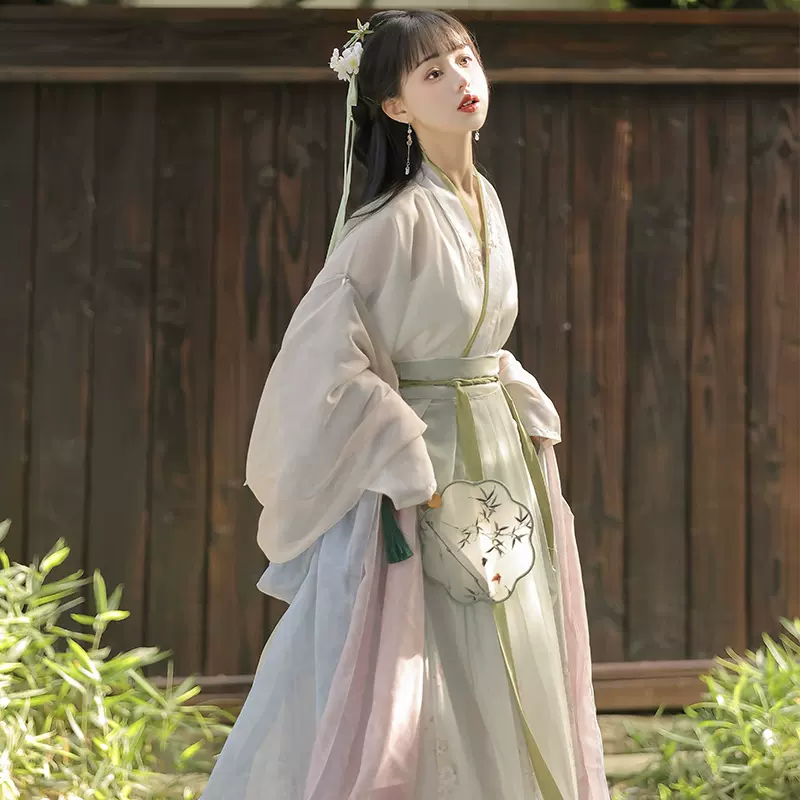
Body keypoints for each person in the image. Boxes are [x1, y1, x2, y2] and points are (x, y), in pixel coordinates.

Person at [202, 10, 608, 800]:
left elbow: (473, 334)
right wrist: (396, 447)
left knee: (511, 639)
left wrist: (507, 385)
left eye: (466, 58)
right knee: (421, 665)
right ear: (394, 106)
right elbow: (322, 362)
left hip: (498, 455)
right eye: (433, 72)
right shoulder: (389, 222)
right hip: (423, 470)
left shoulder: (484, 198)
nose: (461, 79)